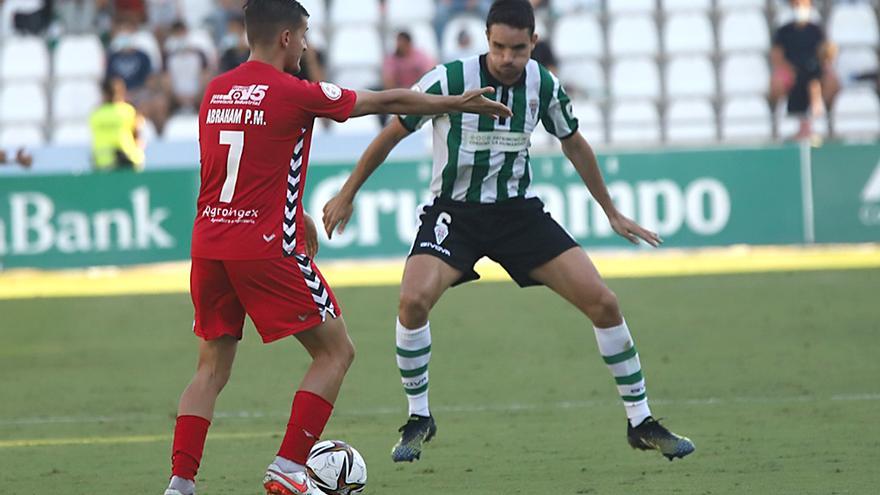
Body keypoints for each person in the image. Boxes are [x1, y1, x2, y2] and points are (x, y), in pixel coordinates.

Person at [323, 0, 695, 465]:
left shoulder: (544, 84)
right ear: (486, 40)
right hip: (454, 214)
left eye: (518, 48)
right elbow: (393, 131)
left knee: (604, 302)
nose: (507, 58)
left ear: (533, 43)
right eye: (498, 47)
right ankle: (419, 416)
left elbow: (573, 141)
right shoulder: (451, 79)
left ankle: (641, 421)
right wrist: (348, 191)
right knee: (412, 300)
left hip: (518, 215)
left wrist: (611, 211)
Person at [162, 1, 511, 494]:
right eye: (304, 35)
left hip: (209, 243)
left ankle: (180, 482)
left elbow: (230, 169)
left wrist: (296, 212)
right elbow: (385, 101)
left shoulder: (216, 91)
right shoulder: (296, 92)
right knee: (336, 352)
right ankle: (288, 465)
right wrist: (455, 104)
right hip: (264, 247)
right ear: (285, 38)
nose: (306, 45)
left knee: (211, 369)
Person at [770, 0, 839, 140]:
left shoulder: (815, 29)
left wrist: (823, 65)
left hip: (813, 71)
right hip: (791, 71)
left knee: (822, 84)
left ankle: (818, 122)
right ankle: (790, 124)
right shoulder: (784, 30)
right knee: (781, 83)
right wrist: (789, 69)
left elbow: (825, 53)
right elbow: (777, 56)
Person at [89, 78, 146, 171]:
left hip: (101, 164)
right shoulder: (128, 111)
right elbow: (138, 138)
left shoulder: (95, 114)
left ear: (103, 94)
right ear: (121, 92)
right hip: (127, 163)